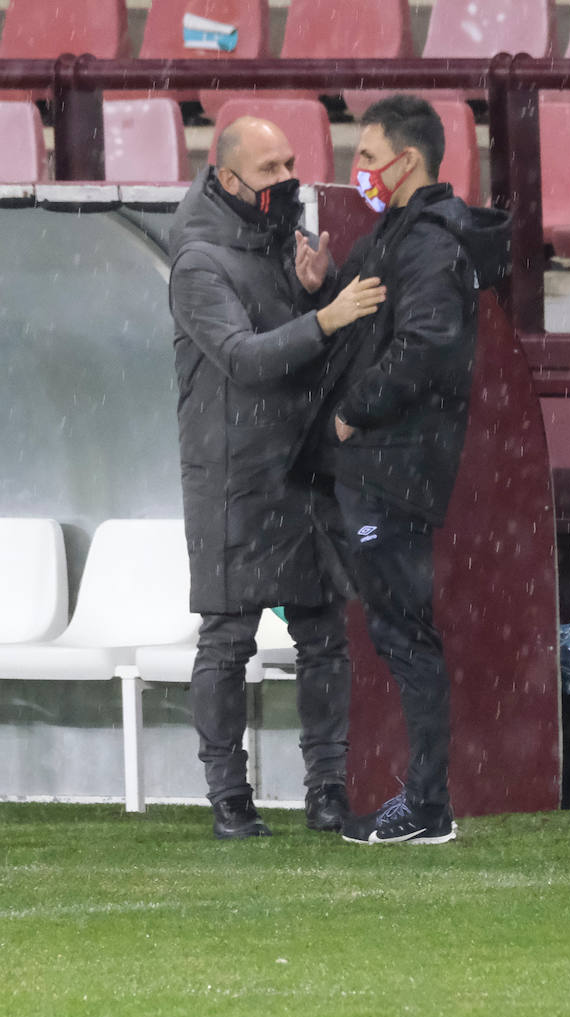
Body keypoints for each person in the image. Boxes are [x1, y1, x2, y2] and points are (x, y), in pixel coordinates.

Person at [170, 116, 386, 839]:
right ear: (228, 180)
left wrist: (307, 293)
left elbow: (289, 353)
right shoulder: (200, 262)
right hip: (233, 478)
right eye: (270, 169)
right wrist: (325, 316)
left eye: (290, 162)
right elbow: (244, 359)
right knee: (228, 639)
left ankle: (327, 790)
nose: (286, 179)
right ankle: (228, 795)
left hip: (300, 470)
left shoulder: (276, 245)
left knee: (325, 634)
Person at [305, 95, 509, 845]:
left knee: (404, 634)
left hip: (390, 468)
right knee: (400, 631)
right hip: (389, 468)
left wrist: (353, 412)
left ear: (408, 160)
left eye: (366, 154)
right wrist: (325, 284)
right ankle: (423, 802)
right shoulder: (406, 233)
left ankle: (426, 807)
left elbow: (425, 343)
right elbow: (381, 322)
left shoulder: (425, 242)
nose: (356, 169)